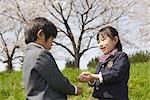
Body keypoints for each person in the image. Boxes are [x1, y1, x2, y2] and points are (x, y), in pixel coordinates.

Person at [22, 17, 82, 100]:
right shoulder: (41, 54)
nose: (52, 44)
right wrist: (74, 90)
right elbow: (57, 80)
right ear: (41, 34)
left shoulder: (28, 55)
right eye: (51, 39)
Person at [78, 26, 130, 100]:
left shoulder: (121, 56)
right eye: (98, 42)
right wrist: (90, 79)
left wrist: (94, 76)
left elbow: (115, 74)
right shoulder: (102, 60)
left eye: (103, 40)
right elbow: (97, 78)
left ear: (115, 40)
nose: (100, 44)